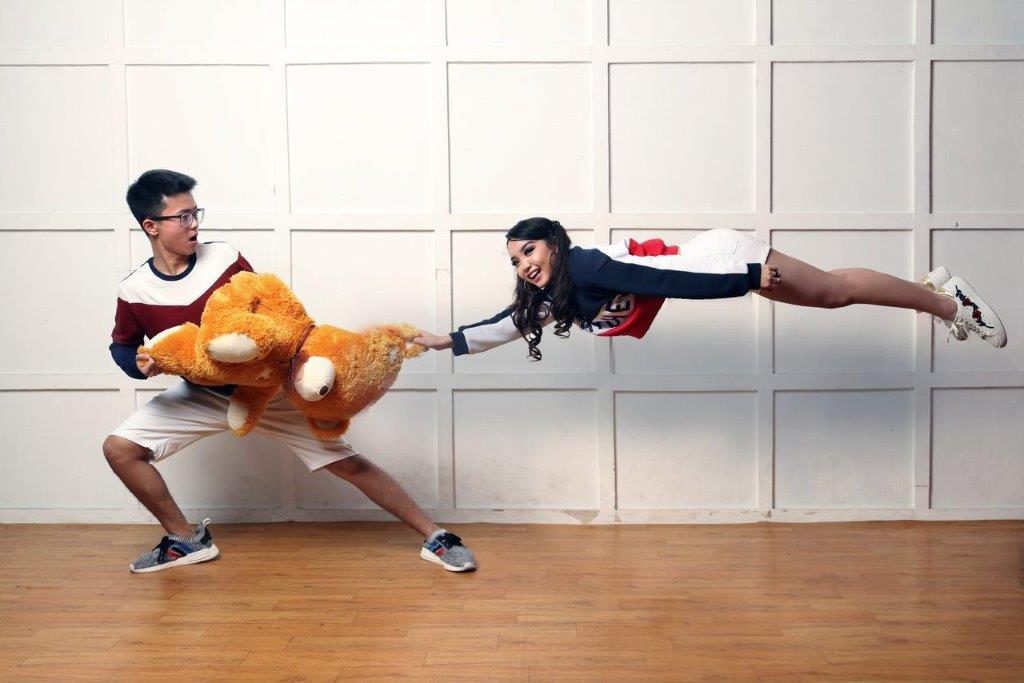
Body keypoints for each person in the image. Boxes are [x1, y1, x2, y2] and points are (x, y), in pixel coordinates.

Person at [104, 169, 476, 573]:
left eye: (196, 213)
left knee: (346, 462)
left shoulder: (224, 257)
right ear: (151, 226)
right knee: (120, 449)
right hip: (202, 393)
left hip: (269, 388)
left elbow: (271, 310)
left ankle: (436, 536)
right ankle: (185, 539)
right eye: (183, 217)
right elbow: (122, 345)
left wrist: (296, 357)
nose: (195, 224)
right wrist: (137, 365)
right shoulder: (135, 288)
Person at [414, 216, 1006, 360]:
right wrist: (447, 340)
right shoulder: (559, 291)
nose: (523, 265)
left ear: (554, 245)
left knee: (831, 292)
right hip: (712, 264)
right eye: (515, 260)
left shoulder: (588, 267)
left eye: (529, 251)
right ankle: (933, 294)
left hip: (719, 260)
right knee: (831, 293)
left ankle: (948, 300)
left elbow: (666, 280)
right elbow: (509, 324)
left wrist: (746, 276)